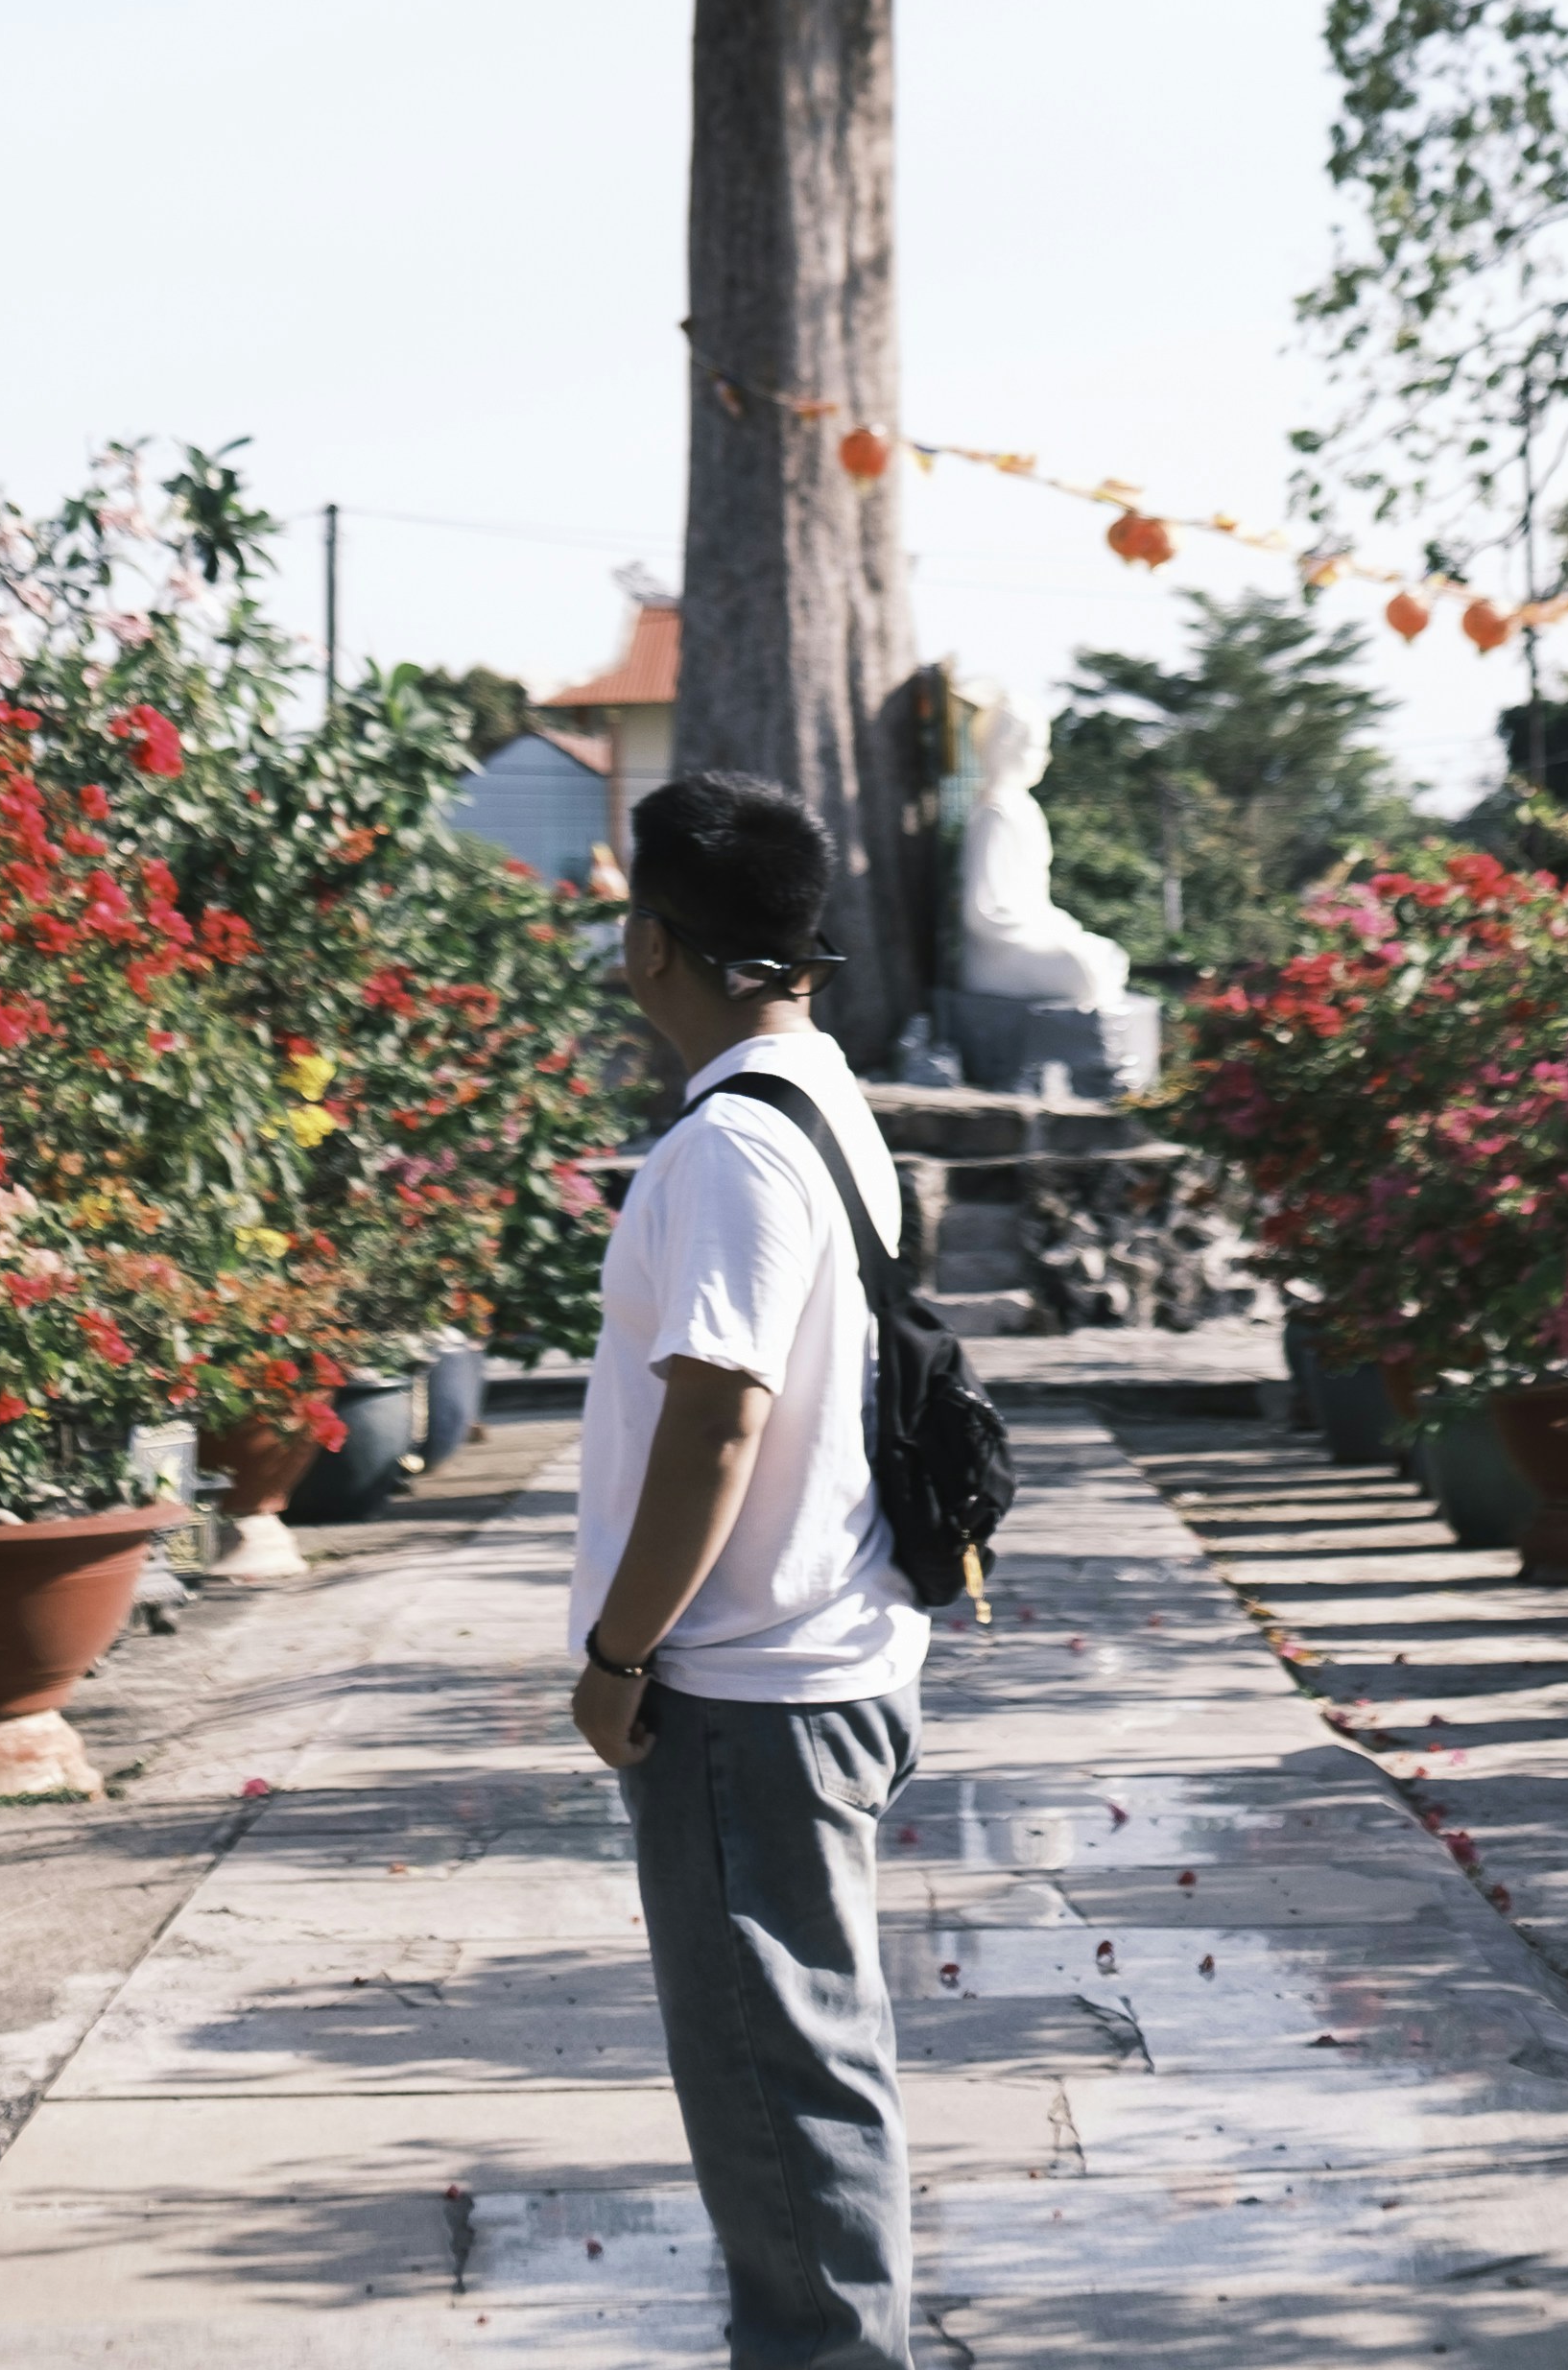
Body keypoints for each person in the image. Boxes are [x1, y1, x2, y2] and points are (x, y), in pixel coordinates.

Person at [570, 767, 927, 2370]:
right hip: (833, 1651)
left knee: (776, 2082)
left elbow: (715, 1421)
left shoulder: (721, 1146)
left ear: (652, 939)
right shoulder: (826, 1093)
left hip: (745, 1688)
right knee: (813, 2057)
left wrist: (619, 1652)